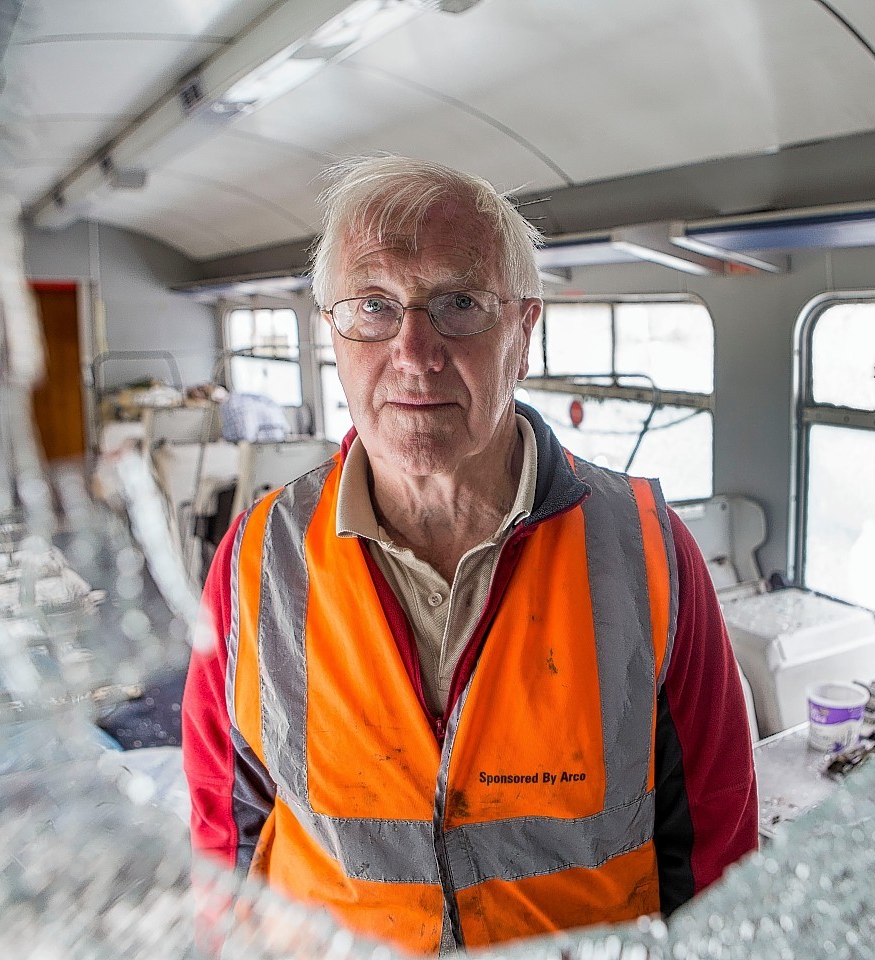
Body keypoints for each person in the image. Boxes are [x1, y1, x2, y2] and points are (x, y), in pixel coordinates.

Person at [181, 155, 758, 954]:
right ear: (332, 335)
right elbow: (224, 833)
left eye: (458, 304)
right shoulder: (255, 561)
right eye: (373, 307)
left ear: (525, 331)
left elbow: (717, 844)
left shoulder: (648, 552)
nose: (414, 352)